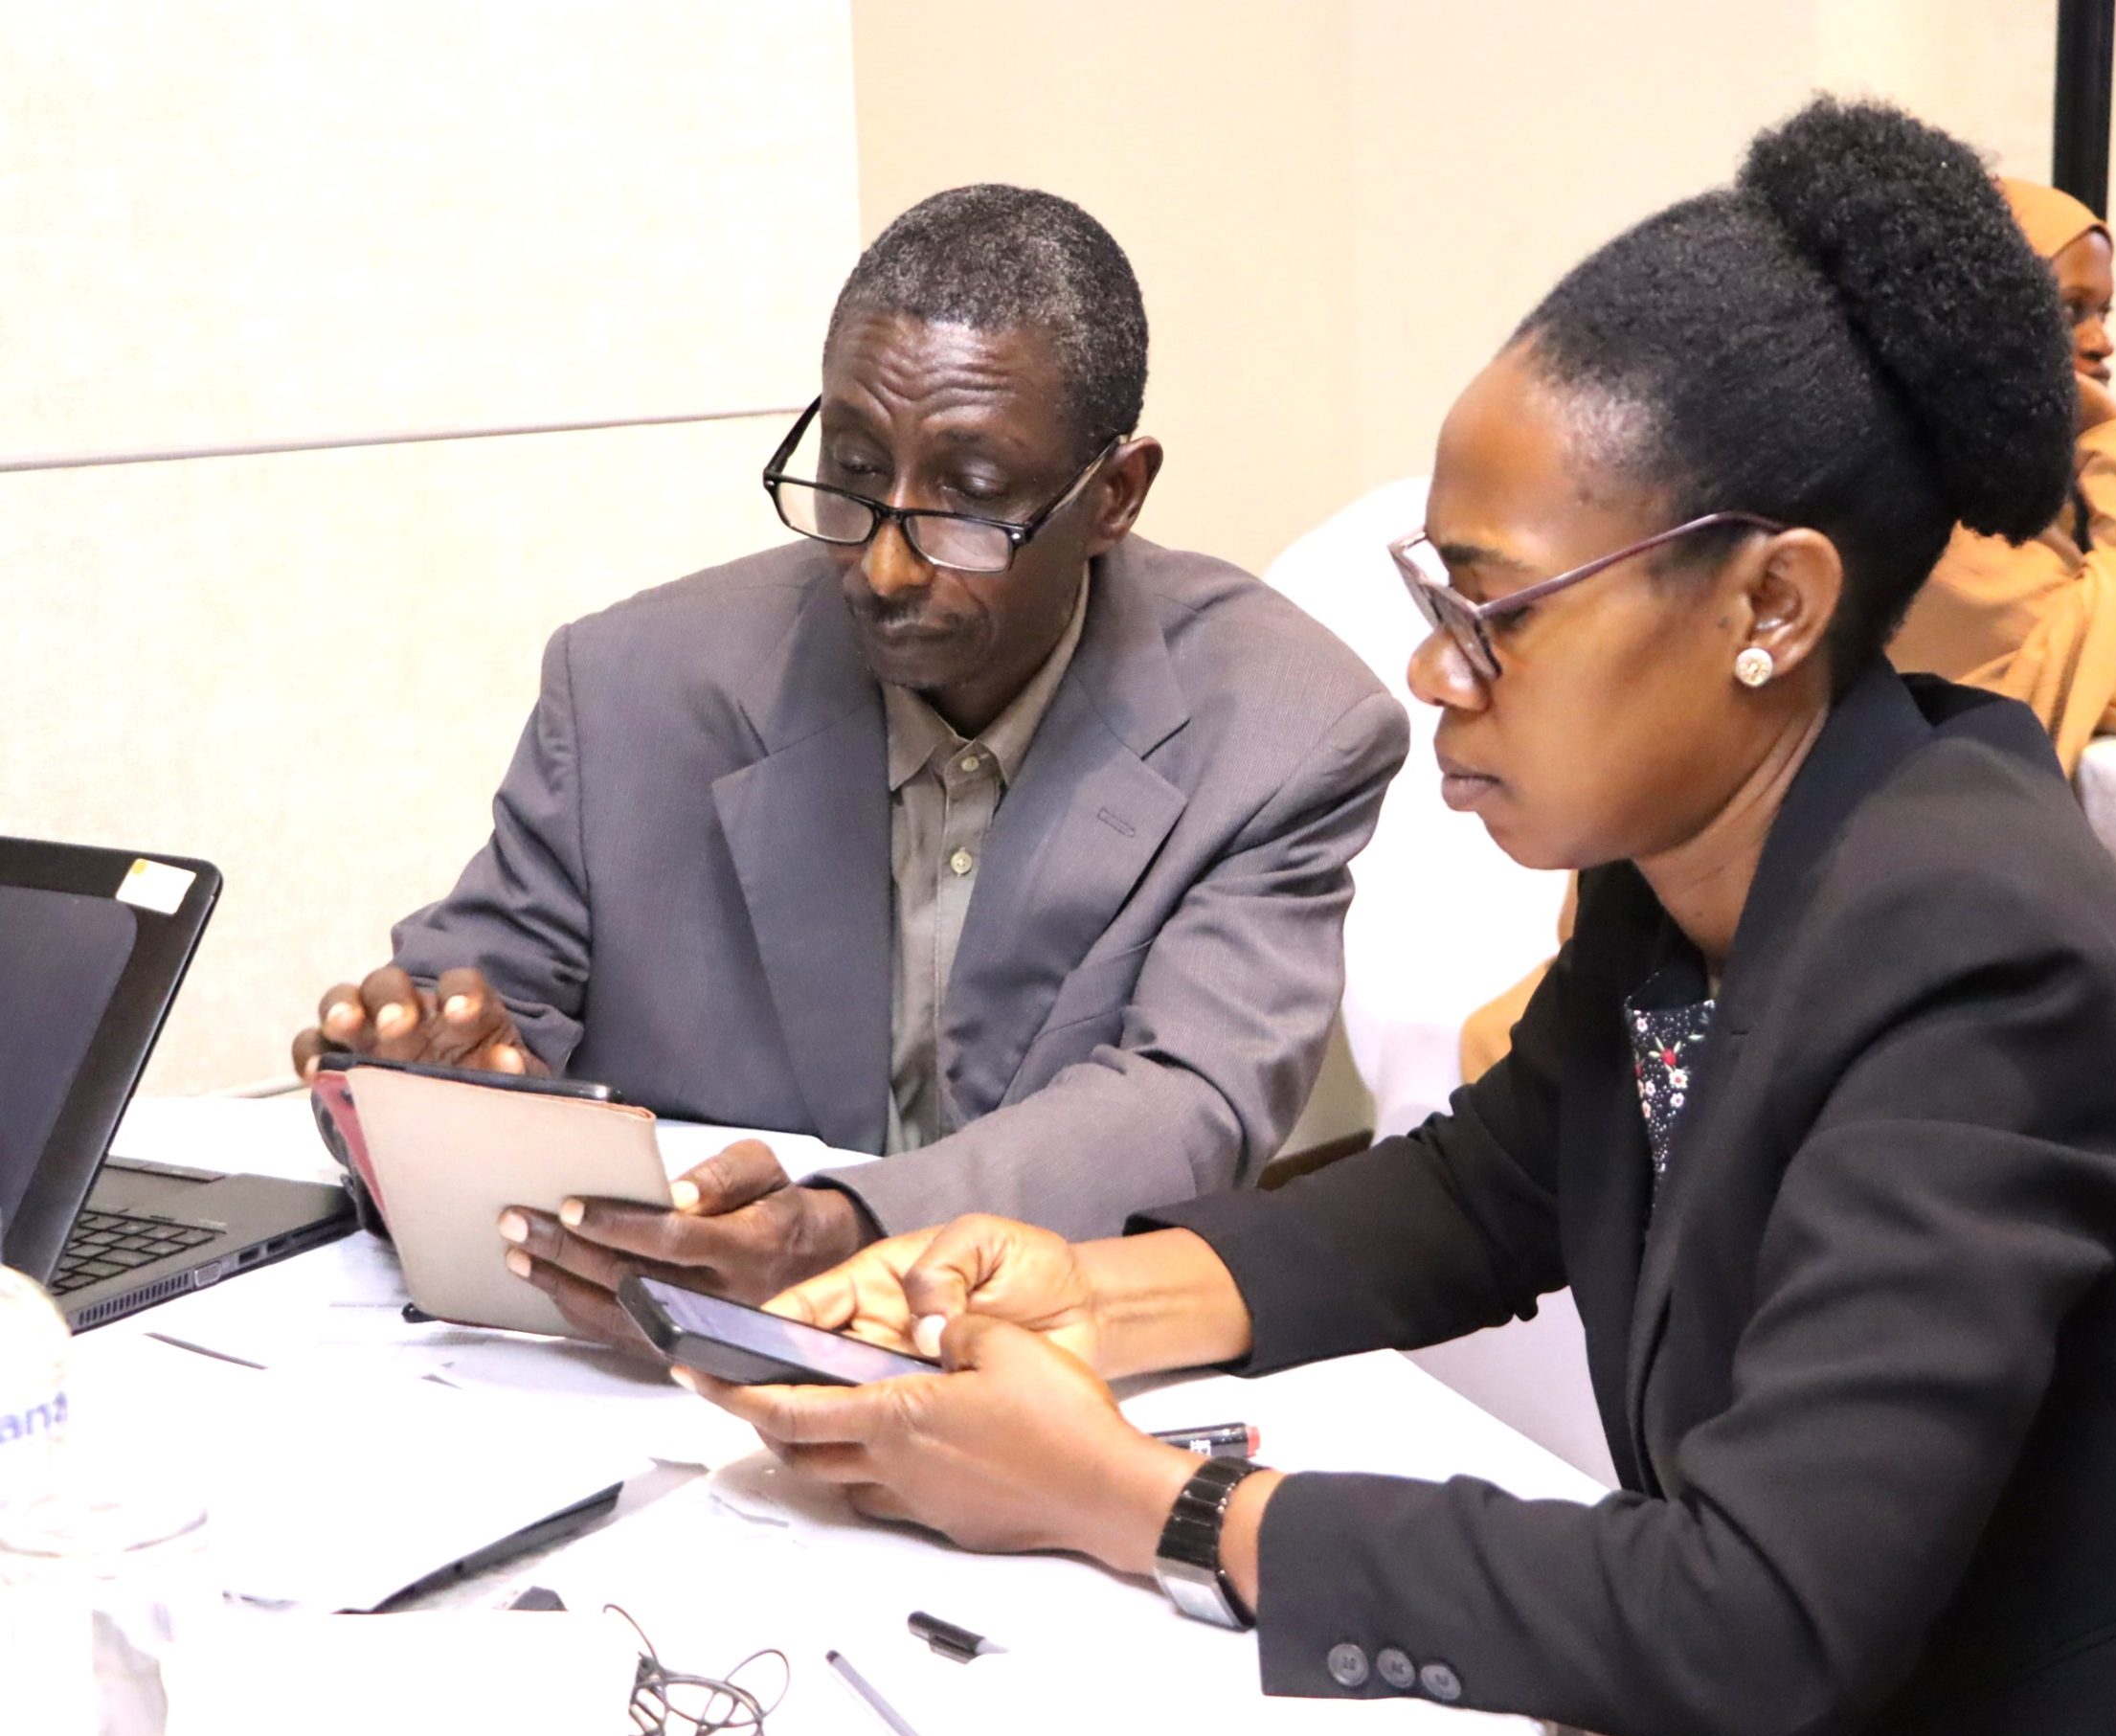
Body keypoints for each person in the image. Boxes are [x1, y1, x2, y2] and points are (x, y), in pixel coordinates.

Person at [675, 102, 2116, 1736]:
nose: (1439, 673)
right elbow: (1485, 1189)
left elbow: (1759, 1612)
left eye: (1499, 608)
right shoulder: (1690, 866)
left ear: (1770, 599)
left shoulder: (1972, 954)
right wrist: (1090, 1297)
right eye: (1433, 594)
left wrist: (1139, 1496)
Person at [293, 186, 1407, 1342]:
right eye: (854, 471)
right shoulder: (631, 684)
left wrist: (843, 1230)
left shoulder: (1285, 728)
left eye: (970, 501)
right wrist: (418, 1082)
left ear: (1111, 496)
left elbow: (1191, 1101)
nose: (882, 566)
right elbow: (478, 1001)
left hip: (1039, 1369)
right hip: (653, 1380)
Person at [1887, 176, 2116, 773]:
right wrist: (2109, 436)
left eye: (2103, 312)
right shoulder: (1940, 517)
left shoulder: (1990, 473)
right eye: (2069, 309)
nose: (2102, 342)